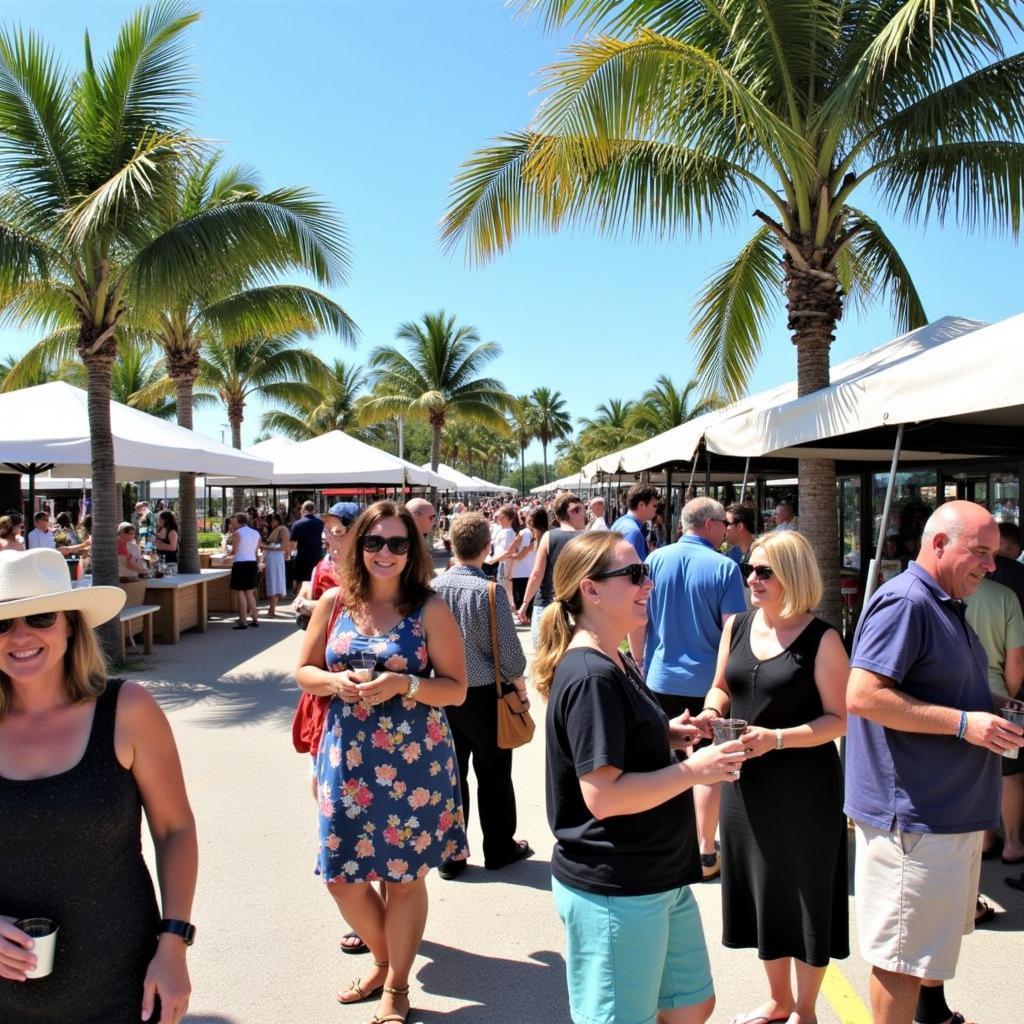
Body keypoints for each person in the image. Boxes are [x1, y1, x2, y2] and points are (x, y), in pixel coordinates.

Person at [535, 530, 746, 1024]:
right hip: (616, 884)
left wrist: (667, 735)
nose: (646, 583)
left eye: (645, 571)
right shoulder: (592, 674)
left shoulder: (616, 656)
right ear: (590, 589)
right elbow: (604, 797)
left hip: (657, 873)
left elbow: (618, 746)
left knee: (692, 1004)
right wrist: (695, 770)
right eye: (633, 575)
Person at [0, 548, 198, 1024]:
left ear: (70, 624)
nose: (20, 636)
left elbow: (174, 829)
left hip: (122, 980)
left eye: (40, 617)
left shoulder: (126, 710)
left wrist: (174, 943)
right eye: (2, 624)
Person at [845, 501, 1024, 1024]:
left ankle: (932, 1014)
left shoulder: (944, 601)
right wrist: (967, 724)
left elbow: (938, 688)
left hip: (944, 815)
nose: (991, 567)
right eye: (981, 553)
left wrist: (989, 711)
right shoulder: (906, 603)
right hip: (914, 819)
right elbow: (863, 695)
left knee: (924, 948)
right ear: (939, 544)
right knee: (899, 958)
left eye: (994, 555)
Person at [295, 501, 469, 1023]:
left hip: (415, 762)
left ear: (412, 549)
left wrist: (403, 684)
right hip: (346, 757)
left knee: (403, 878)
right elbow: (303, 670)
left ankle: (396, 985)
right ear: (358, 547)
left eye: (397, 543)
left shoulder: (430, 608)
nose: (385, 553)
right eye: (374, 542)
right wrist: (333, 682)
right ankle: (383, 956)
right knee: (340, 875)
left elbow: (457, 690)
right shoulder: (333, 603)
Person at [699, 530, 850, 1024]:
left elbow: (840, 718)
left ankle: (805, 1010)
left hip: (806, 789)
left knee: (805, 895)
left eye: (764, 571)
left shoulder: (822, 638)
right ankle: (778, 1000)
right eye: (751, 569)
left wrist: (777, 738)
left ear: (793, 576)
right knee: (763, 891)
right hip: (746, 784)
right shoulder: (737, 626)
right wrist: (710, 713)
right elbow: (721, 686)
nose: (752, 578)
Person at [631, 497, 746, 880]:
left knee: (664, 763)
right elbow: (734, 628)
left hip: (660, 677)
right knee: (708, 767)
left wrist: (640, 663)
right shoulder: (725, 567)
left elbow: (638, 619)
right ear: (711, 525)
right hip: (708, 685)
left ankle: (667, 842)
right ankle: (705, 850)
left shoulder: (654, 560)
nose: (727, 530)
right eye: (724, 523)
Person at [432, 513, 531, 879]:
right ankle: (499, 847)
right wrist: (520, 689)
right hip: (487, 697)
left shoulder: (431, 589)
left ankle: (451, 854)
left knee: (450, 777)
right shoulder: (488, 591)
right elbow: (511, 657)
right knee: (494, 776)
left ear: (452, 546)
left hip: (441, 694)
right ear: (487, 548)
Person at [964, 577, 1024, 867]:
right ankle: (1012, 843)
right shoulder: (1005, 597)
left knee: (971, 773)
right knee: (1008, 773)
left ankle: (985, 840)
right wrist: (1006, 697)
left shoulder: (942, 593)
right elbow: (1016, 662)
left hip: (955, 697)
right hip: (997, 693)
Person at [517, 493, 586, 646]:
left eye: (583, 509)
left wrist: (525, 603)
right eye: (577, 510)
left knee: (543, 656)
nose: (583, 513)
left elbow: (537, 574)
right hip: (577, 609)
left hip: (547, 606)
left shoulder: (549, 537)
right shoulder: (588, 538)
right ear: (565, 514)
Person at [610, 483, 660, 561]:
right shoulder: (633, 531)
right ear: (641, 505)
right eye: (654, 506)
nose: (656, 509)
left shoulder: (620, 522)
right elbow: (630, 567)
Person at [228, 513, 261, 630]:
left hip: (240, 563)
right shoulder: (255, 532)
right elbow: (256, 549)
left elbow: (235, 550)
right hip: (251, 562)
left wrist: (227, 554)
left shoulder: (237, 533)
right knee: (249, 593)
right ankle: (255, 618)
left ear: (237, 521)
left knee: (240, 592)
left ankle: (243, 621)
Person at [486, 505, 521, 608]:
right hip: (500, 562)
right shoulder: (501, 530)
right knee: (503, 587)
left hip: (505, 563)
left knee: (505, 588)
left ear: (508, 518)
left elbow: (508, 551)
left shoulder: (508, 532)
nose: (499, 518)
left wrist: (492, 560)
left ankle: (508, 609)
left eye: (502, 516)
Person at [290, 501, 324, 594]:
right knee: (315, 579)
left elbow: (292, 545)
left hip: (302, 556)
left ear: (302, 510)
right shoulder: (320, 523)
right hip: (317, 555)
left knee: (301, 580)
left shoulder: (297, 524)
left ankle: (300, 599)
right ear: (314, 510)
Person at [261, 512, 290, 617]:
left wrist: (267, 548)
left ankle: (272, 609)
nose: (272, 523)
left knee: (274, 582)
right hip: (273, 558)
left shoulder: (282, 529)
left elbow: (285, 547)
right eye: (271, 521)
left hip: (275, 558)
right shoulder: (276, 530)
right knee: (272, 581)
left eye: (273, 520)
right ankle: (271, 609)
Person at [509, 510, 538, 614]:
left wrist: (511, 556)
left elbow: (520, 554)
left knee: (520, 600)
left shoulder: (524, 533)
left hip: (520, 572)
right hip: (531, 571)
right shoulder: (539, 534)